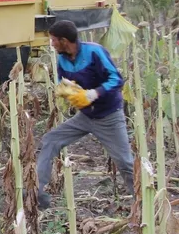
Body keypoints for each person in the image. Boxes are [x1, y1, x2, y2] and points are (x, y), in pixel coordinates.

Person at [37, 20, 134, 210]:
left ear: (64, 40)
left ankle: (144, 202)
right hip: (85, 117)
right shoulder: (62, 58)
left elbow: (116, 79)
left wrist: (94, 93)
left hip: (109, 117)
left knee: (124, 162)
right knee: (50, 140)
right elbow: (61, 81)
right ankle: (38, 194)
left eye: (54, 40)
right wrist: (66, 90)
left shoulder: (95, 52)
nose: (52, 44)